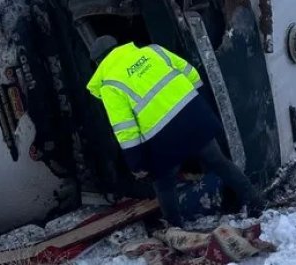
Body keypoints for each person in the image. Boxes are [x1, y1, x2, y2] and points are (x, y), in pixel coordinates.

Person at [86, 35, 265, 227]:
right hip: (194, 116)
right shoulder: (153, 50)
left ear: (98, 63)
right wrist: (198, 105)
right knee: (219, 162)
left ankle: (176, 230)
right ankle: (255, 200)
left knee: (163, 184)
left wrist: (136, 164)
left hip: (164, 137)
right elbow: (192, 73)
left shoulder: (110, 85)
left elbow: (125, 129)